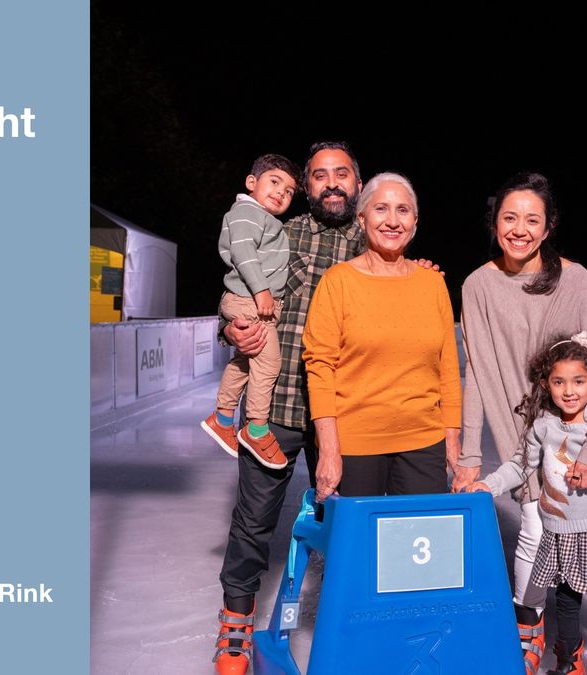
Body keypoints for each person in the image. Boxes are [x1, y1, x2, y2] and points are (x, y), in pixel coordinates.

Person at [452, 172, 587, 674]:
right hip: (526, 434)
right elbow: (478, 371)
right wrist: (470, 458)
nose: (519, 229)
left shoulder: (577, 278)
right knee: (532, 530)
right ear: (494, 223)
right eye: (509, 218)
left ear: (547, 230)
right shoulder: (477, 285)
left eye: (532, 220)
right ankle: (529, 635)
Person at [212, 141, 366, 675]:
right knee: (253, 522)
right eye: (319, 175)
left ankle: (354, 623)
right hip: (273, 407)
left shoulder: (376, 244)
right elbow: (233, 291)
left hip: (344, 414)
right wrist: (230, 328)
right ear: (307, 185)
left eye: (341, 174)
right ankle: (234, 628)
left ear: (357, 184)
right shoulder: (278, 229)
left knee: (349, 523)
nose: (331, 183)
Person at [467, 334, 587, 674]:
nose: (569, 390)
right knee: (564, 603)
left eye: (579, 381)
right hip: (559, 531)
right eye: (559, 381)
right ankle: (568, 664)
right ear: (546, 384)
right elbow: (520, 465)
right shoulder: (544, 427)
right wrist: (488, 486)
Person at [302, 172, 461, 501]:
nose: (392, 221)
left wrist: (452, 437)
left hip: (423, 444)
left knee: (419, 547)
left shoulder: (432, 284)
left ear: (415, 222)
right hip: (354, 445)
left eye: (403, 211)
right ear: (361, 219)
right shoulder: (338, 282)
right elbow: (319, 368)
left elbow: (447, 368)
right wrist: (329, 451)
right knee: (358, 550)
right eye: (381, 209)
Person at [201, 153, 300, 470]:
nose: (281, 193)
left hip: (247, 299)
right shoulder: (246, 212)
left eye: (288, 191)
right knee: (268, 363)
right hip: (250, 299)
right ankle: (256, 428)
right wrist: (261, 291)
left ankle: (222, 418)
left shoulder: (264, 218)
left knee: (245, 362)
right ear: (251, 182)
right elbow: (243, 254)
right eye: (274, 182)